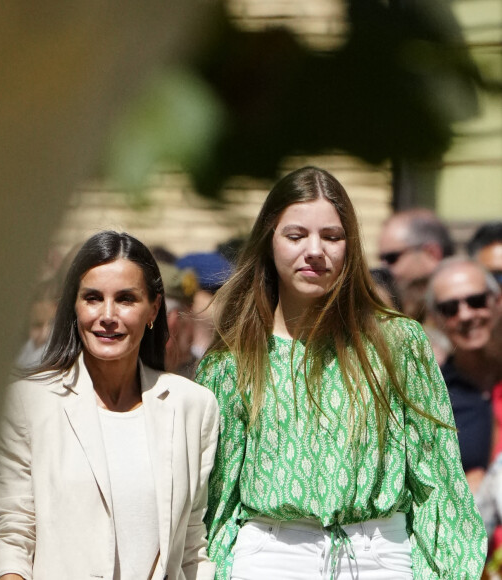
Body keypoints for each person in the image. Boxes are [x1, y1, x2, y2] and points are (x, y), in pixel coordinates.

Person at [196, 166, 486, 580]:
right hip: (270, 556)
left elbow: (437, 478)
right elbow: (217, 500)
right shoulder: (234, 362)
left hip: (380, 555)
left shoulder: (397, 343)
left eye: (332, 237)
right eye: (296, 236)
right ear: (269, 242)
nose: (315, 250)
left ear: (351, 246)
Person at [0, 231, 219, 580]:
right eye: (92, 298)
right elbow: (11, 537)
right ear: (73, 306)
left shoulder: (193, 406)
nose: (107, 315)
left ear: (153, 309)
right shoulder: (28, 404)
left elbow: (192, 545)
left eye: (126, 299)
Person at [426, 257, 502, 493]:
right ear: (437, 319)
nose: (466, 315)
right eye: (450, 309)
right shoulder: (432, 396)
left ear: (497, 302)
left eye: (476, 301)